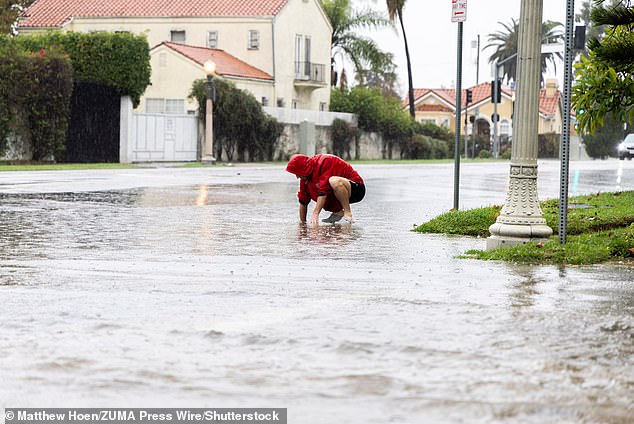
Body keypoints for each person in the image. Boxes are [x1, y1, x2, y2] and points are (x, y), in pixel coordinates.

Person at [286, 153, 365, 225]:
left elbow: (323, 190)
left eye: (297, 173)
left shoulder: (325, 161)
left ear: (303, 168)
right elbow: (303, 201)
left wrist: (315, 213)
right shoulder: (305, 178)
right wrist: (302, 224)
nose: (297, 176)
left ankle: (347, 213)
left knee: (333, 181)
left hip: (356, 188)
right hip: (337, 192)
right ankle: (338, 212)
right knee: (313, 191)